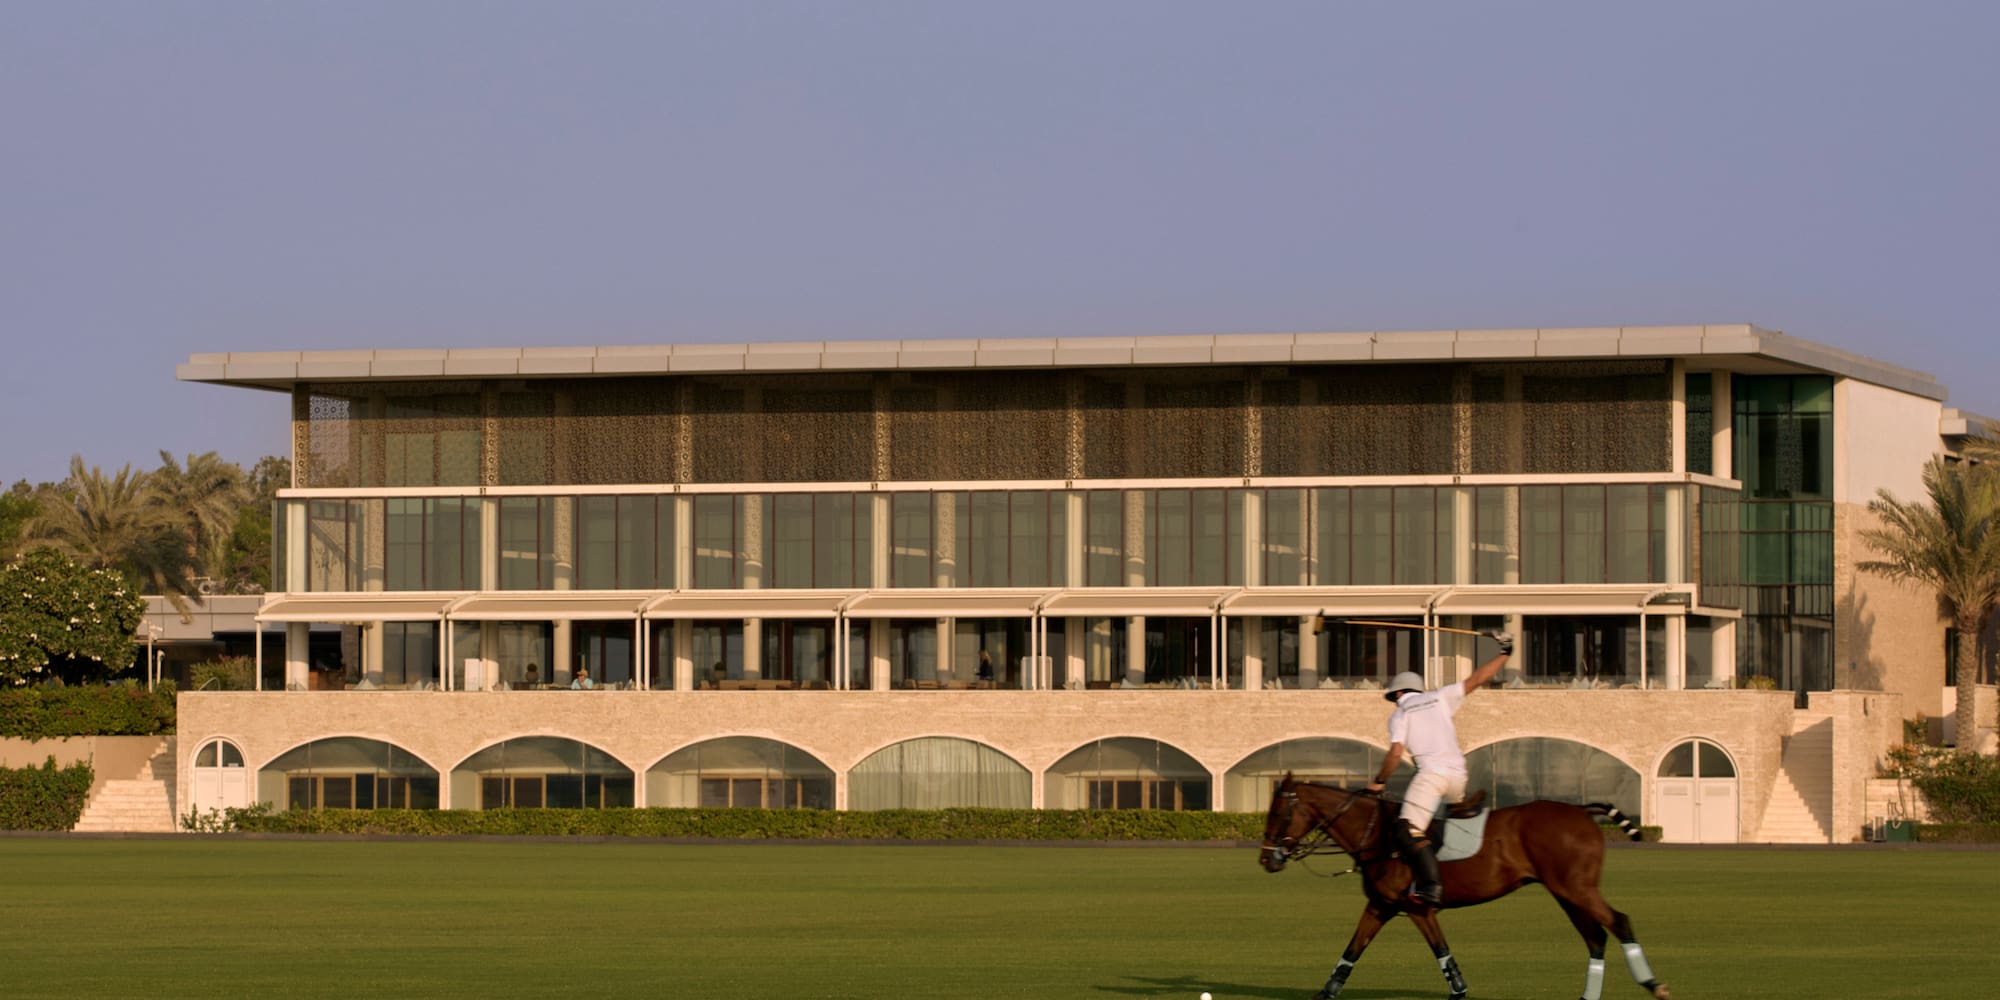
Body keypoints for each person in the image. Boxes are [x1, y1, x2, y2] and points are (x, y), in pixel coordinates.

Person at [1363, 630, 1514, 907]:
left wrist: (1379, 781)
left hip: (1432, 776)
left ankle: (1431, 887)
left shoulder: (1400, 713)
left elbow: (1396, 754)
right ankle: (1449, 860)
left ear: (1398, 693)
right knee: (1436, 827)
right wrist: (1505, 653)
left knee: (1407, 830)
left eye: (1393, 697)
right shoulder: (1440, 697)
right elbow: (1477, 679)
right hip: (1458, 776)